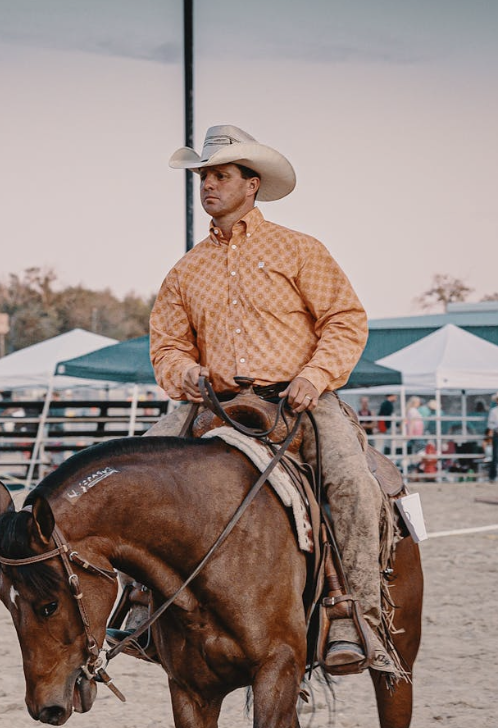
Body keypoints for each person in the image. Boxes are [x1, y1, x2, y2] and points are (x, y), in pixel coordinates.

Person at [149, 123, 395, 675]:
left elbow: (344, 320)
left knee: (353, 484)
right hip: (215, 401)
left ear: (251, 183)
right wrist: (185, 371)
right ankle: (141, 606)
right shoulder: (186, 270)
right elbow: (166, 346)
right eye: (204, 177)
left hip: (299, 397)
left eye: (221, 175)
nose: (208, 186)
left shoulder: (300, 250)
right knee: (134, 469)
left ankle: (357, 616)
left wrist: (316, 375)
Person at [487, 392, 498, 483]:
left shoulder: (494, 411)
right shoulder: (494, 411)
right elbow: (491, 424)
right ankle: (492, 476)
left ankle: (493, 476)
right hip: (497, 433)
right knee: (495, 456)